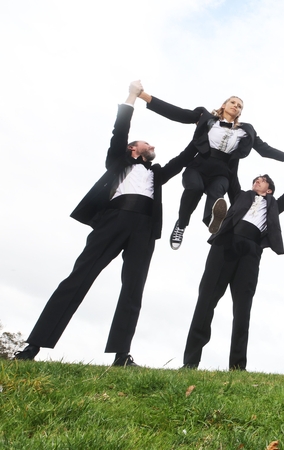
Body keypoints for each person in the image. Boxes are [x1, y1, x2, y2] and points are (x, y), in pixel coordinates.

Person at [13, 81, 195, 366]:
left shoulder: (156, 174)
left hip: (144, 229)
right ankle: (32, 347)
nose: (153, 145)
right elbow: (118, 131)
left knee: (133, 289)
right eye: (147, 142)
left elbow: (184, 158)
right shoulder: (117, 163)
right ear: (133, 149)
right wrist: (131, 98)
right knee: (78, 278)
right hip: (114, 220)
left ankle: (122, 355)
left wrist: (205, 130)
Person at [136, 88, 284, 250]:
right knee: (195, 187)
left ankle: (214, 221)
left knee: (217, 192)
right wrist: (144, 96)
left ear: (240, 112)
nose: (236, 106)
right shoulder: (205, 118)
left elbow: (264, 149)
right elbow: (178, 113)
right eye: (233, 102)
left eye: (239, 106)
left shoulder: (245, 131)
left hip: (222, 172)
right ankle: (181, 224)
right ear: (224, 105)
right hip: (198, 165)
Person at [182, 158, 284, 371]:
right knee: (206, 301)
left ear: (269, 190)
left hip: (251, 252)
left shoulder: (274, 204)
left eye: (263, 180)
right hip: (225, 246)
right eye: (256, 178)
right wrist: (235, 152)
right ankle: (191, 362)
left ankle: (237, 367)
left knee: (242, 309)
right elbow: (233, 175)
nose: (258, 180)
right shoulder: (240, 196)